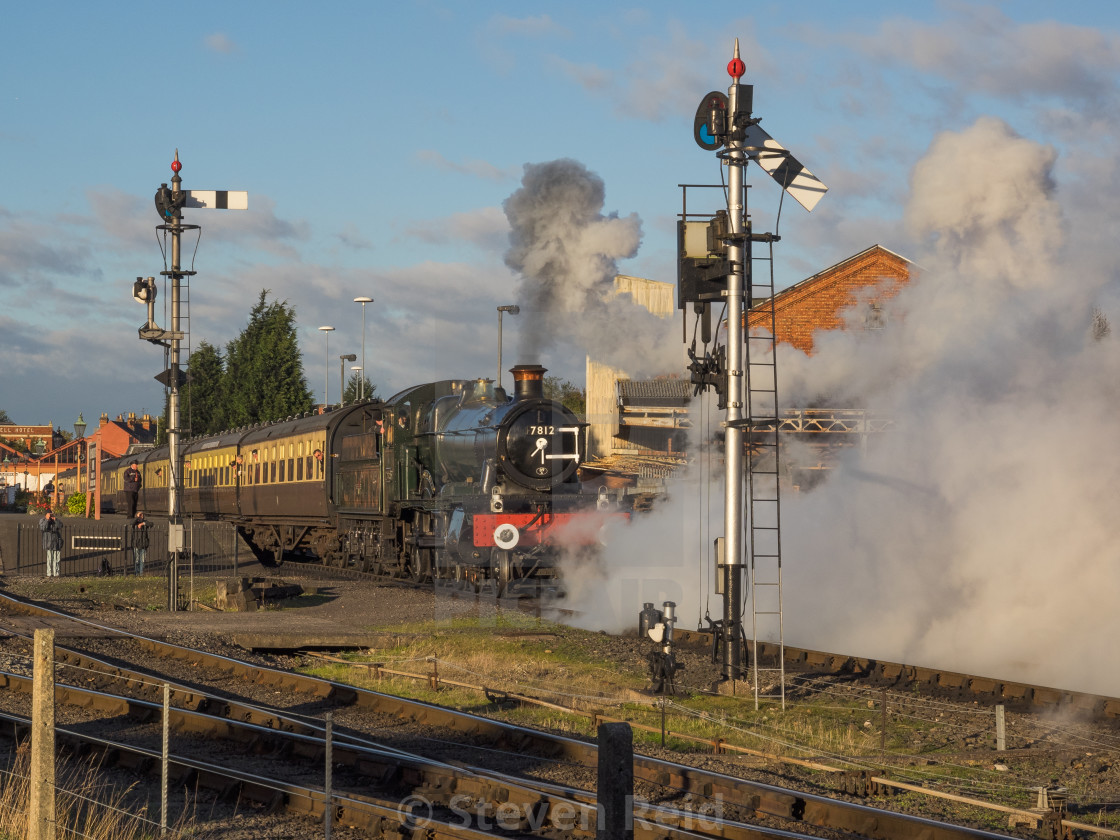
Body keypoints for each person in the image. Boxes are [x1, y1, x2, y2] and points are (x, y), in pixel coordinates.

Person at [40, 511, 62, 578]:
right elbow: (43, 528)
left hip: (56, 541)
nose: (50, 515)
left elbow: (60, 526)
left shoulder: (55, 520)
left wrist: (55, 520)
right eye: (49, 514)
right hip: (48, 541)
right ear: (45, 515)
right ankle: (49, 573)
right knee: (49, 559)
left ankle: (56, 573)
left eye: (51, 514)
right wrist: (47, 520)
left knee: (57, 559)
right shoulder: (42, 520)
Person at [129, 511, 149, 575]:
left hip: (143, 544)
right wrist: (137, 518)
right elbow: (131, 523)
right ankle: (137, 573)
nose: (141, 516)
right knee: (136, 560)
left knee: (142, 561)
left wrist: (142, 523)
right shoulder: (134, 523)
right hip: (136, 544)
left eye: (142, 515)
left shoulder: (145, 522)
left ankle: (141, 573)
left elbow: (151, 524)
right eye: (140, 515)